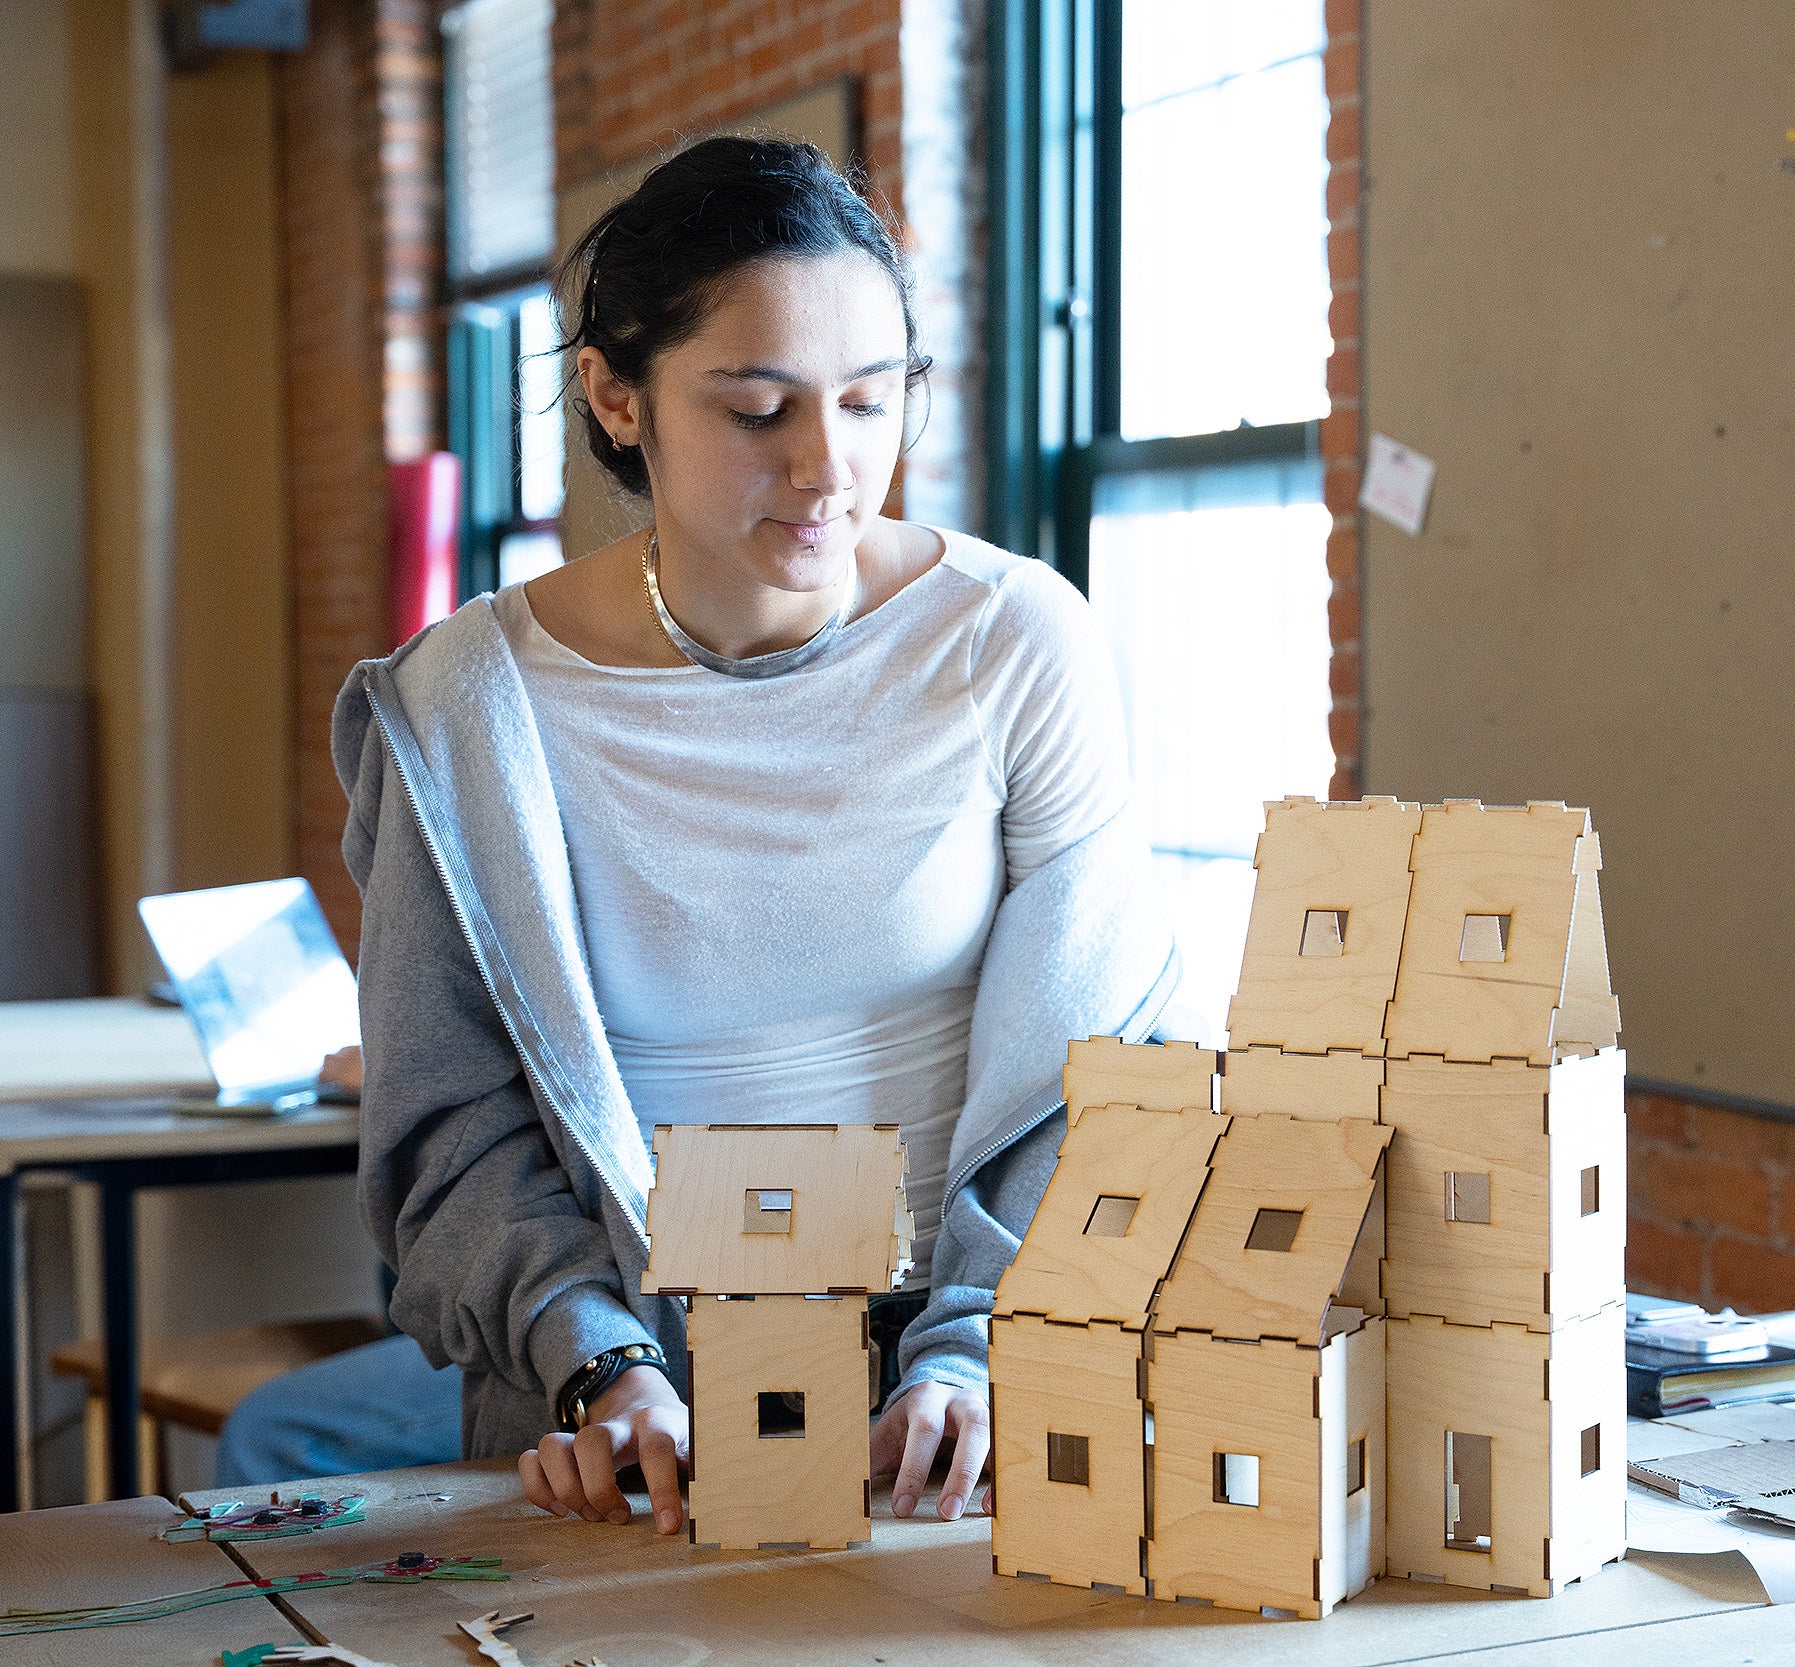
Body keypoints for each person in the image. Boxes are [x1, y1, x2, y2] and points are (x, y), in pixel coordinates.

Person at [312, 135, 1180, 1531]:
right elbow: (449, 1127)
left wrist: (980, 1351)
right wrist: (604, 1366)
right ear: (617, 396)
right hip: (618, 1394)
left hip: (975, 1384)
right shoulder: (469, 705)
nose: (828, 466)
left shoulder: (1014, 638)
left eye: (867, 399)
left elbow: (1107, 1057)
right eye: (760, 408)